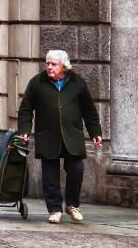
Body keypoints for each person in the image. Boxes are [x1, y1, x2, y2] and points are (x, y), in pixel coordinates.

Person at [17, 49, 102, 224]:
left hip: (72, 136)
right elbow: (26, 108)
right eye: (47, 63)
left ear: (63, 66)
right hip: (48, 136)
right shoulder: (37, 83)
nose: (49, 67)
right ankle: (55, 209)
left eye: (53, 64)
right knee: (50, 174)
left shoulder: (77, 82)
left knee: (77, 170)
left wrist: (95, 132)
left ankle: (72, 205)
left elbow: (89, 110)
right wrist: (24, 130)